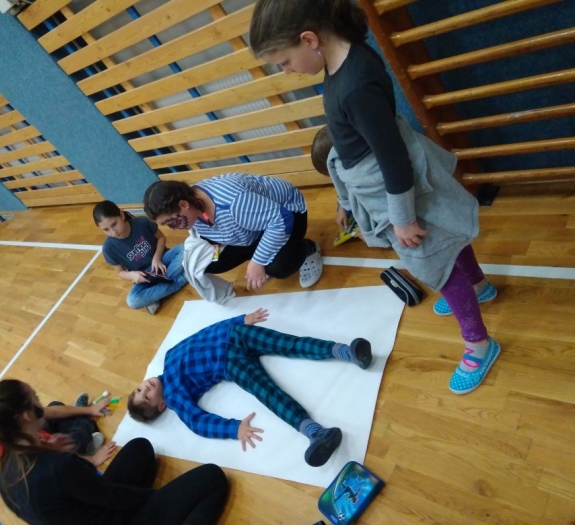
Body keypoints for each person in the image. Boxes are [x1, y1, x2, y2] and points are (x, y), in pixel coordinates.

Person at [249, 0, 500, 395]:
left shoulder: (355, 85)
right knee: (443, 243)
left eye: (284, 61)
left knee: (433, 259)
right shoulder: (341, 63)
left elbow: (393, 158)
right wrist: (347, 199)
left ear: (309, 40)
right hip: (378, 181)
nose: (286, 71)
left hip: (394, 187)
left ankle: (479, 345)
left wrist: (403, 217)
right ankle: (479, 287)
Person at [127, 308, 372, 467]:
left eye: (139, 390)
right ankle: (314, 432)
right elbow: (197, 422)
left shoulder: (169, 355)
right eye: (147, 397)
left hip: (236, 333)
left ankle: (346, 351)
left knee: (288, 343)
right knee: (267, 392)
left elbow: (202, 334)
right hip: (230, 363)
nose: (145, 389)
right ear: (161, 405)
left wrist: (237, 320)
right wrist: (233, 429)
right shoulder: (173, 395)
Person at [0, 379, 229, 525]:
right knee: (212, 478)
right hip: (112, 515)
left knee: (140, 448)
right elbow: (114, 497)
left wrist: (53, 450)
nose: (41, 403)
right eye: (36, 399)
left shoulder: (4, 475)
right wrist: (161, 499)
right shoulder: (56, 467)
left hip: (93, 510)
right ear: (26, 416)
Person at [142, 174, 323, 293]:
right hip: (250, 230)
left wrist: (258, 261)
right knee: (209, 262)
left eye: (171, 222)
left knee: (279, 268)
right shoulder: (191, 210)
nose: (173, 228)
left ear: (183, 204)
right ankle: (262, 256)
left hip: (288, 214)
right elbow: (209, 234)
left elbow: (281, 220)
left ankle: (307, 249)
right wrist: (211, 252)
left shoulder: (233, 203)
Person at [93, 200, 187, 315]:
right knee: (133, 301)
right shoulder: (108, 248)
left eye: (114, 224)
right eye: (106, 229)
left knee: (185, 248)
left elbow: (161, 238)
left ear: (121, 215)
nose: (113, 232)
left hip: (163, 261)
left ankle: (157, 294)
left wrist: (156, 258)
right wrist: (132, 275)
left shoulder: (142, 222)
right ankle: (181, 280)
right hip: (145, 276)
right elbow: (120, 273)